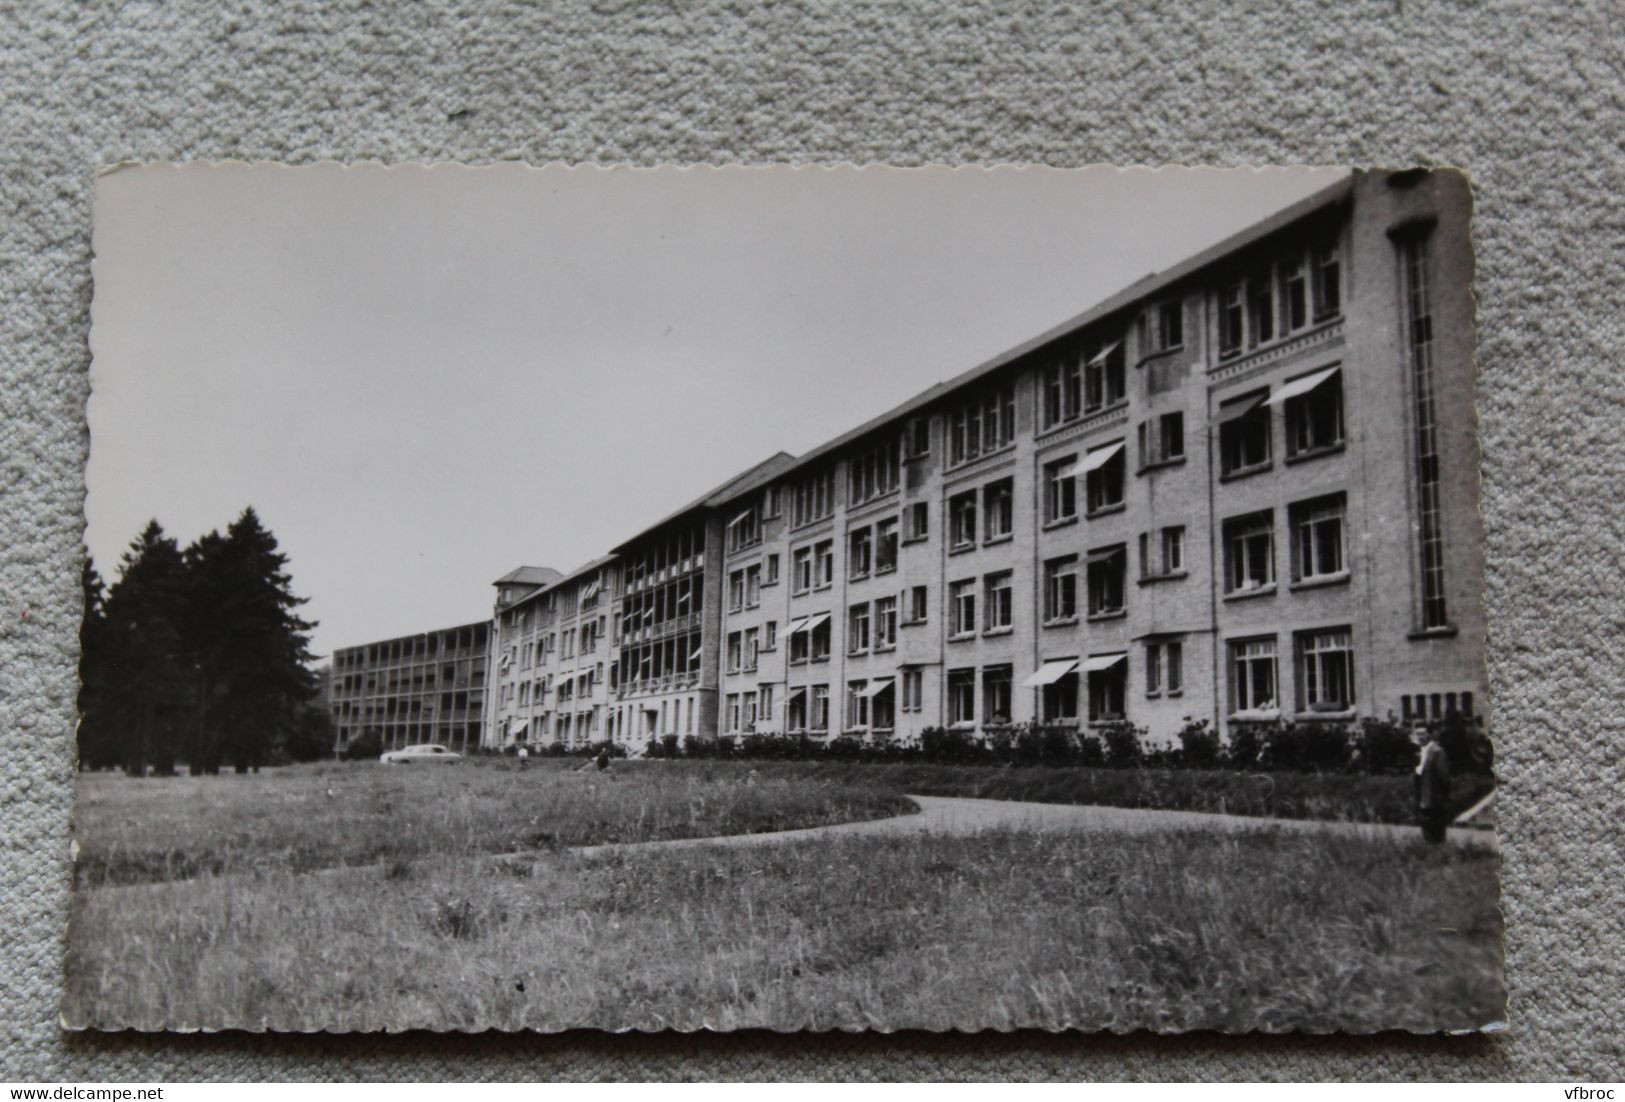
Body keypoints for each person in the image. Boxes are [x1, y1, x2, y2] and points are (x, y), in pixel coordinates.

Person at [1414, 726, 1452, 844]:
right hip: (1424, 796)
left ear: (1429, 735)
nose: (1420, 737)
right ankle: (1430, 852)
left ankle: (1438, 852)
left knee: (1436, 830)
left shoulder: (1437, 751)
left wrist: (1442, 796)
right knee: (1427, 827)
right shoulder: (1420, 753)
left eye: (1423, 734)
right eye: (1418, 734)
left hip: (1435, 797)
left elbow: (1444, 777)